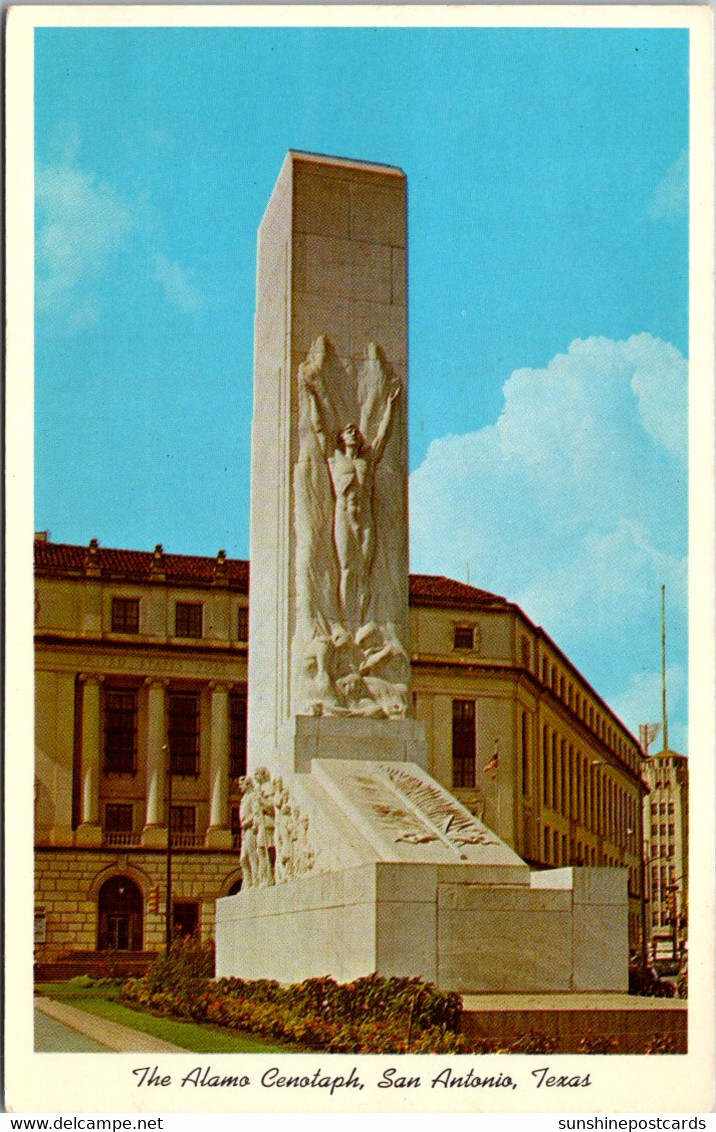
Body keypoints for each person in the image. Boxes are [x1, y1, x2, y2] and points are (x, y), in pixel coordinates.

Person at [301, 361, 400, 629]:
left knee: (365, 574)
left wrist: (391, 405)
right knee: (347, 570)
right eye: (347, 431)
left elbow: (384, 434)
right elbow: (320, 428)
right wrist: (311, 396)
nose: (353, 431)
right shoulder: (335, 459)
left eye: (355, 430)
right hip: (344, 517)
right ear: (342, 439)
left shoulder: (368, 460)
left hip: (366, 520)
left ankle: (362, 623)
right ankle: (346, 621)